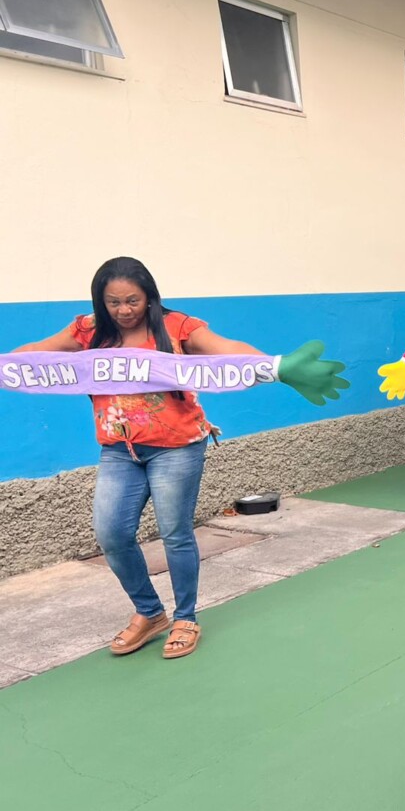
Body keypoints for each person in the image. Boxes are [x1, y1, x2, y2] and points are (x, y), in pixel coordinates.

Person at [11, 257, 272, 659]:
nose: (124, 310)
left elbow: (227, 350)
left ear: (149, 295)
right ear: (101, 302)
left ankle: (186, 618)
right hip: (119, 450)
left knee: (175, 533)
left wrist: (277, 367)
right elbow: (35, 354)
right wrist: (6, 365)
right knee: (111, 534)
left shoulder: (177, 326)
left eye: (132, 300)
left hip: (177, 447)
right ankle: (150, 613)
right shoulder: (88, 330)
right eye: (113, 302)